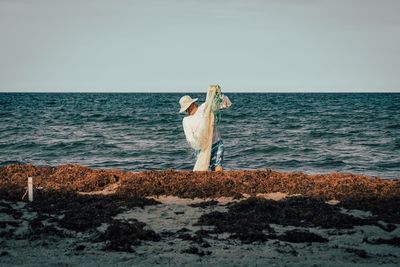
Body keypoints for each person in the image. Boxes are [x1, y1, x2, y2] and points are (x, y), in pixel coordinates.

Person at [179, 85, 232, 171]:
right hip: (201, 149)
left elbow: (226, 104)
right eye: (186, 108)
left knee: (218, 169)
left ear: (193, 104)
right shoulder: (186, 121)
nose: (187, 110)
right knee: (203, 172)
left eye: (188, 107)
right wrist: (201, 146)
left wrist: (219, 94)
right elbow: (190, 139)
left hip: (216, 143)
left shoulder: (205, 107)